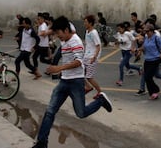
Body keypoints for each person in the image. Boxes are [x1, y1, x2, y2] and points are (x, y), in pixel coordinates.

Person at [32, 16, 112, 148]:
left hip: (76, 82)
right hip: (64, 82)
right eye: (56, 33)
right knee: (50, 111)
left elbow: (78, 62)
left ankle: (101, 100)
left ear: (65, 30)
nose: (58, 36)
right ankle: (42, 142)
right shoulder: (64, 40)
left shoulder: (76, 42)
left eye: (58, 33)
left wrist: (58, 68)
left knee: (81, 113)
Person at [136, 23, 161, 99]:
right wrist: (138, 50)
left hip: (155, 60)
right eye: (146, 31)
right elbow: (144, 47)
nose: (147, 33)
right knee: (147, 77)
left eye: (148, 31)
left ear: (152, 31)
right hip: (147, 60)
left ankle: (155, 91)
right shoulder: (147, 38)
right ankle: (153, 92)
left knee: (148, 77)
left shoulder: (156, 38)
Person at [114, 22, 141, 86]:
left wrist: (133, 48)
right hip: (123, 51)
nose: (119, 30)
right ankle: (139, 68)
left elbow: (134, 40)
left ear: (123, 28)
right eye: (118, 29)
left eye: (120, 29)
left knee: (121, 65)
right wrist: (116, 43)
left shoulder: (128, 34)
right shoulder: (118, 34)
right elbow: (119, 41)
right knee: (127, 66)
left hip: (128, 52)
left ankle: (121, 80)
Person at [83, 15, 102, 98]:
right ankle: (88, 87)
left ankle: (100, 92)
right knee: (79, 73)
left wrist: (94, 57)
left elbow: (98, 46)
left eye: (86, 22)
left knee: (89, 77)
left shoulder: (94, 33)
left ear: (90, 23)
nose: (84, 24)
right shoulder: (87, 31)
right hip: (86, 56)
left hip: (91, 57)